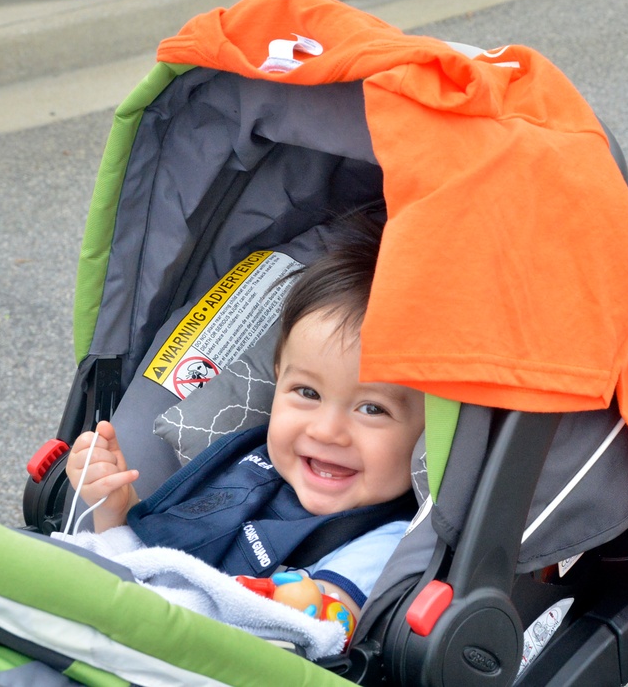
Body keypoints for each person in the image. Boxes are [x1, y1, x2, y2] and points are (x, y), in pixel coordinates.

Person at [65, 213, 424, 637]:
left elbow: (306, 632)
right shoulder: (241, 462)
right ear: (278, 379)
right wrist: (114, 512)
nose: (326, 431)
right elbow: (145, 562)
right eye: (307, 393)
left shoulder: (389, 543)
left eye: (372, 410)